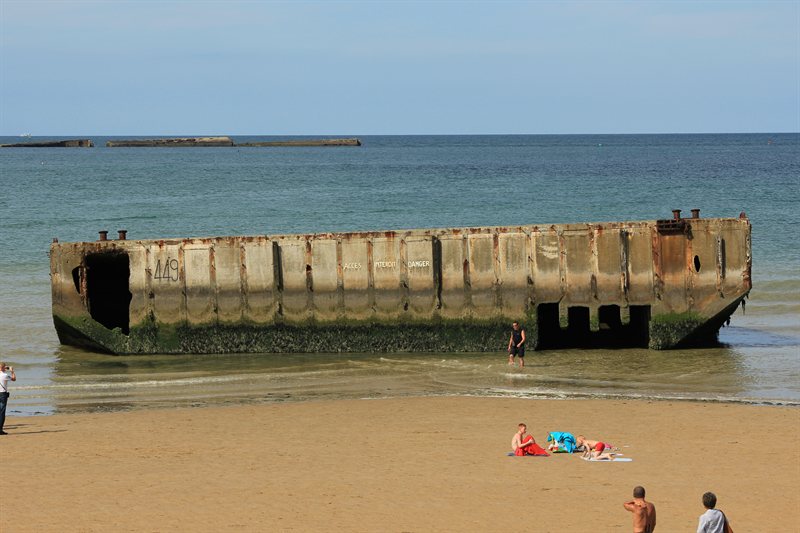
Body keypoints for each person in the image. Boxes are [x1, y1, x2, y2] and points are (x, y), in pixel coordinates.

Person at [0, 362, 17, 435]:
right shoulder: (5, 375)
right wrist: (12, 371)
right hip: (3, 394)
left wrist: (3, 368)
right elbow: (14, 379)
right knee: (2, 412)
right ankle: (0, 429)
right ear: (4, 368)